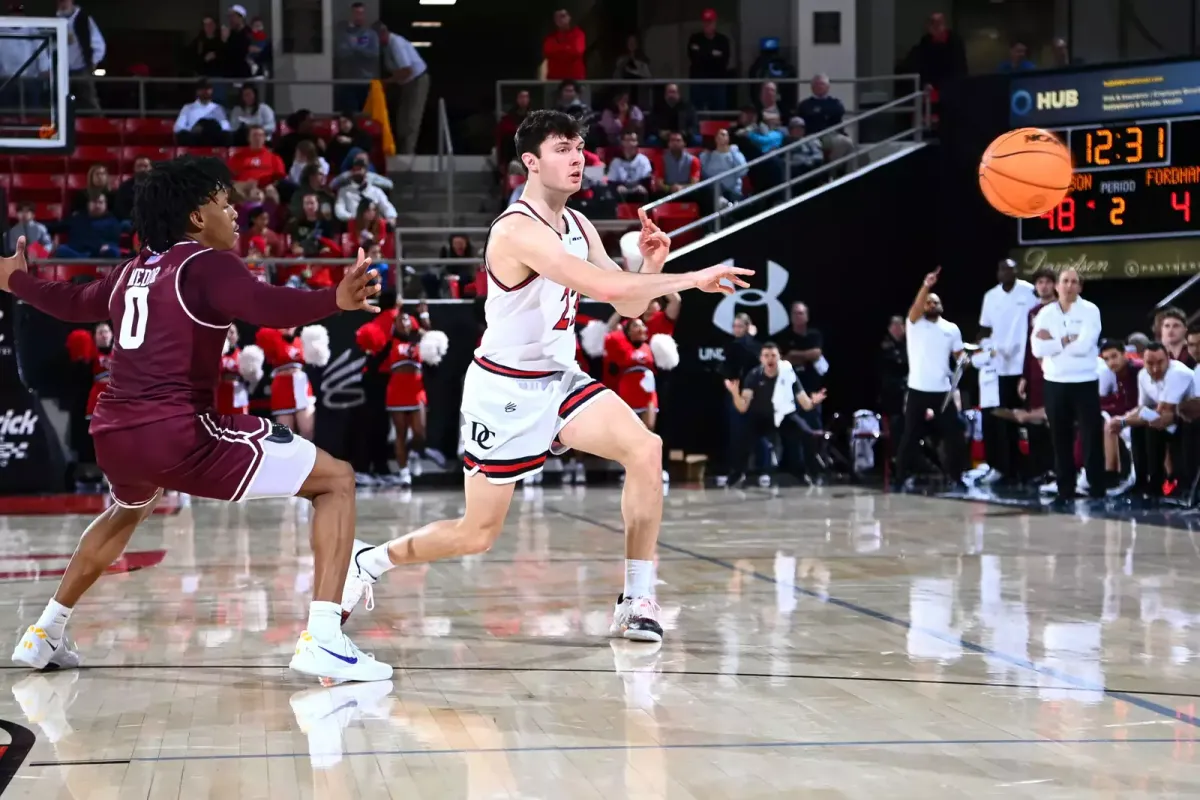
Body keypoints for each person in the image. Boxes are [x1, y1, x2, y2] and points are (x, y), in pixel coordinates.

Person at [336, 110, 752, 642]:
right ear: (530, 161)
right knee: (477, 533)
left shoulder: (579, 225)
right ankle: (370, 561)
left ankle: (636, 597)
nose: (577, 157)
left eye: (580, 147)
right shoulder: (515, 231)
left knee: (646, 450)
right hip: (504, 388)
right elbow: (609, 291)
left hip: (561, 379)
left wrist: (650, 268)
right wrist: (694, 275)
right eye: (562, 148)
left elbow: (627, 308)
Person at [0, 156, 391, 683]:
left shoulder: (129, 272)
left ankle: (45, 631)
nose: (235, 212)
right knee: (336, 480)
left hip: (113, 433)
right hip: (176, 431)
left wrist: (17, 282)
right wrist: (335, 299)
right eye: (223, 203)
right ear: (193, 219)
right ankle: (324, 638)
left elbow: (70, 302)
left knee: (127, 509)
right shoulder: (205, 264)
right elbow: (265, 303)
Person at [1030, 268, 1104, 501]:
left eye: (1074, 282)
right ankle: (1065, 488)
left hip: (1084, 381)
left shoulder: (1091, 310)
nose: (1069, 286)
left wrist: (1052, 341)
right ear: (1057, 286)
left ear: (1080, 287)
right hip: (1054, 382)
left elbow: (1085, 346)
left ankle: (1096, 487)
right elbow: (1037, 349)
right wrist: (1065, 339)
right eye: (1065, 281)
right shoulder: (1045, 313)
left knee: (1091, 435)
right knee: (1059, 436)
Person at [896, 268, 967, 489]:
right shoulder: (914, 323)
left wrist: (970, 359)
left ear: (941, 306)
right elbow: (916, 306)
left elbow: (960, 356)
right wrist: (927, 285)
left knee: (954, 434)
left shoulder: (951, 329)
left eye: (935, 302)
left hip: (942, 391)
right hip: (917, 389)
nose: (931, 305)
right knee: (910, 436)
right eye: (928, 302)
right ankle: (899, 478)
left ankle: (956, 477)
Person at [1106, 342, 1193, 498]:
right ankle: (1141, 482)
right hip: (1169, 419)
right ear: (1143, 361)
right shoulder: (1143, 375)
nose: (1155, 368)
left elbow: (1163, 413)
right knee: (1138, 427)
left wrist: (1124, 421)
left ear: (1168, 359)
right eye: (1150, 363)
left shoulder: (1178, 373)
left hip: (1188, 420)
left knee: (1152, 425)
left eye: (1160, 362)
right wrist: (1123, 421)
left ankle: (1157, 483)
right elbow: (1142, 409)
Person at [977, 258, 1036, 484]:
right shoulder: (990, 296)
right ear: (998, 273)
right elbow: (985, 328)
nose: (1006, 272)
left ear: (1016, 271)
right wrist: (978, 348)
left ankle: (1033, 467)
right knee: (1006, 418)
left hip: (1026, 364)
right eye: (1002, 269)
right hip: (1001, 367)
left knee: (1030, 417)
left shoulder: (1028, 291)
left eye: (1011, 269)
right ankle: (1009, 467)